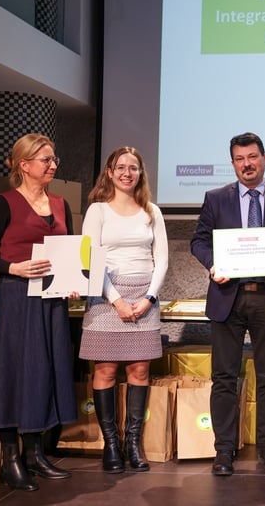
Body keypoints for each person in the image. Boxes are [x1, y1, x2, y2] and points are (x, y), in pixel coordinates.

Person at [191, 132, 265, 476]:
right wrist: (213, 264)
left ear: (264, 159)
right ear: (233, 163)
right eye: (240, 159)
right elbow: (198, 241)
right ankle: (224, 450)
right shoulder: (215, 199)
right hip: (227, 297)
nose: (247, 164)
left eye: (253, 157)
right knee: (224, 378)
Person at [0, 133, 77, 491]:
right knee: (14, 371)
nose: (52, 165)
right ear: (24, 164)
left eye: (54, 159)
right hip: (18, 298)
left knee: (44, 371)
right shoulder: (5, 203)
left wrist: (73, 281)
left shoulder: (61, 204)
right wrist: (13, 268)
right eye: (46, 159)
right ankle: (10, 458)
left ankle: (34, 453)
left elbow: (69, 251)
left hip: (52, 300)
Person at [79, 146, 169, 474]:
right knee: (104, 371)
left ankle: (133, 443)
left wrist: (149, 298)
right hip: (106, 299)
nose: (127, 173)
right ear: (109, 172)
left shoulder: (152, 211)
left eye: (133, 167)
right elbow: (89, 257)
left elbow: (162, 260)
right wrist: (116, 299)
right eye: (120, 167)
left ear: (141, 173)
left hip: (144, 298)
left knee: (139, 372)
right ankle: (111, 445)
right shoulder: (97, 211)